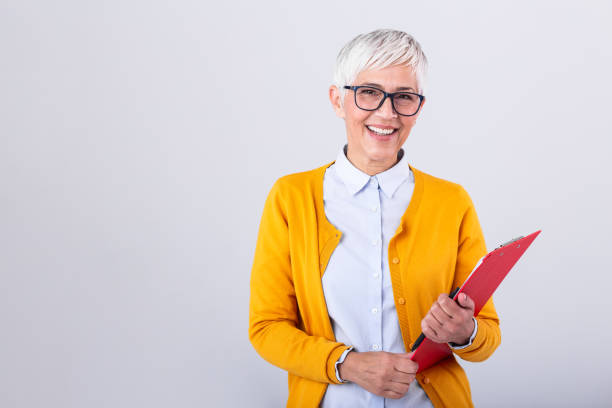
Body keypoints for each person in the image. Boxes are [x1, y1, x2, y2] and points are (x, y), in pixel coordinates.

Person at [249, 29, 501, 408]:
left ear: (419, 106)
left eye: (404, 97)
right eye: (368, 92)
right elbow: (267, 328)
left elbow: (487, 340)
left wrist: (465, 332)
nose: (387, 113)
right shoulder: (291, 198)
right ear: (338, 100)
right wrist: (347, 364)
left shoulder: (452, 202)